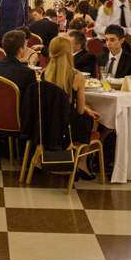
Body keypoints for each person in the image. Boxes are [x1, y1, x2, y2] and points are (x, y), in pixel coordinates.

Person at [43, 36, 101, 178]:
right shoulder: (77, 76)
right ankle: (82, 162)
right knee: (91, 120)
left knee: (87, 113)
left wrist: (86, 109)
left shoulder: (44, 73)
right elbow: (79, 110)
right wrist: (86, 109)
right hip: (67, 127)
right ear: (69, 53)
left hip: (47, 124)